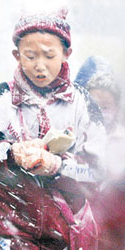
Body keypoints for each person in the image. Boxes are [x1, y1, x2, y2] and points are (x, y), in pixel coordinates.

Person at [0, 10, 106, 249]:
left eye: (49, 56)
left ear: (67, 54)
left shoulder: (83, 103)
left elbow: (97, 172)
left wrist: (57, 166)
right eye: (30, 56)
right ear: (16, 55)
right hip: (8, 225)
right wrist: (10, 155)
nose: (40, 66)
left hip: (65, 229)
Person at [85, 74, 125, 249]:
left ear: (116, 108)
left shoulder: (121, 141)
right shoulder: (78, 139)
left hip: (115, 230)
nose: (99, 112)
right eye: (94, 106)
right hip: (86, 228)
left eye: (105, 107)